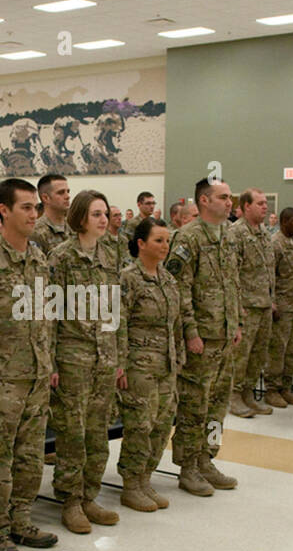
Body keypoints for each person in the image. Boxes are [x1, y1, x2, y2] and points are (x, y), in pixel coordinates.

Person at [0, 178, 59, 551]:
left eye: (36, 206)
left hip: (34, 376)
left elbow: (46, 317)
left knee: (30, 455)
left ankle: (21, 518)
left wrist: (47, 363)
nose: (34, 213)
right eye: (26, 207)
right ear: (3, 211)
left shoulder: (38, 259)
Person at [47, 189, 124, 532]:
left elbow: (115, 309)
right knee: (72, 434)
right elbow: (48, 314)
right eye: (96, 214)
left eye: (105, 213)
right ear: (80, 218)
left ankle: (90, 494)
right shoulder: (60, 258)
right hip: (73, 356)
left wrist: (119, 356)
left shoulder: (111, 254)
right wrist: (51, 362)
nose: (103, 219)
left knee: (98, 431)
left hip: (104, 356)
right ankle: (71, 500)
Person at [167, 179, 242, 495]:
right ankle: (187, 467)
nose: (229, 203)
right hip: (201, 338)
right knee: (195, 404)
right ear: (203, 201)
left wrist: (236, 324)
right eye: (223, 197)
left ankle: (206, 458)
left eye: (230, 197)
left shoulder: (227, 236)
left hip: (225, 335)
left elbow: (232, 283)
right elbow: (178, 289)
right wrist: (190, 332)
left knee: (217, 405)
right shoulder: (188, 238)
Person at [115, 217, 183, 512]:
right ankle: (131, 484)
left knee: (161, 424)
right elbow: (117, 323)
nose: (165, 246)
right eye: (158, 240)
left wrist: (179, 357)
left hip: (166, 364)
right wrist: (119, 365)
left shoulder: (168, 279)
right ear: (141, 244)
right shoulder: (128, 278)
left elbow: (175, 324)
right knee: (139, 425)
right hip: (138, 365)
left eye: (167, 240)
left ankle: (145, 479)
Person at [226, 188, 274, 417]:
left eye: (266, 203)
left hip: (264, 303)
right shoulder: (236, 233)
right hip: (246, 306)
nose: (265, 207)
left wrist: (271, 298)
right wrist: (236, 307)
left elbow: (268, 269)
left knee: (258, 354)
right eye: (260, 203)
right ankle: (233, 396)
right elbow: (231, 273)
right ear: (246, 207)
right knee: (241, 355)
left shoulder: (264, 233)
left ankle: (248, 393)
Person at [263, 207, 293, 409]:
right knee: (278, 350)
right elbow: (269, 277)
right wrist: (272, 302)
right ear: (283, 222)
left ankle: (286, 387)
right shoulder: (276, 244)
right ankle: (272, 389)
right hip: (282, 305)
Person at [32, 173, 71, 254]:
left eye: (68, 191)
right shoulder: (36, 232)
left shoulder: (75, 227)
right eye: (61, 192)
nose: (67, 196)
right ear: (46, 198)